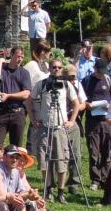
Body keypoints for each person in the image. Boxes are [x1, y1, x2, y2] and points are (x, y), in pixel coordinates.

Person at [29, 58, 79, 202]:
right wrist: (33, 118)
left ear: (61, 69)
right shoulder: (43, 84)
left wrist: (72, 121)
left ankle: (61, 191)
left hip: (60, 127)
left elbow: (76, 103)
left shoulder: (66, 84)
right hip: (45, 126)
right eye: (53, 67)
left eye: (58, 67)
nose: (56, 69)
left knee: (62, 159)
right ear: (49, 68)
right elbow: (29, 100)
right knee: (44, 159)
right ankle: (48, 188)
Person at [0, 46, 32, 147]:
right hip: (2, 112)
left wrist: (8, 96)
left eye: (22, 57)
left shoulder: (24, 73)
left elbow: (26, 93)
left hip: (17, 113)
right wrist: (0, 61)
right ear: (12, 55)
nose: (20, 59)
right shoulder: (2, 69)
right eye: (18, 56)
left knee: (16, 147)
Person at [83, 58, 111, 192]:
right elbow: (81, 99)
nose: (101, 74)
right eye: (99, 71)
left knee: (106, 152)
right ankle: (95, 179)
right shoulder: (87, 81)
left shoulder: (108, 79)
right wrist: (87, 105)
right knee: (94, 152)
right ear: (95, 69)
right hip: (92, 120)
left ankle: (105, 178)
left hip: (106, 120)